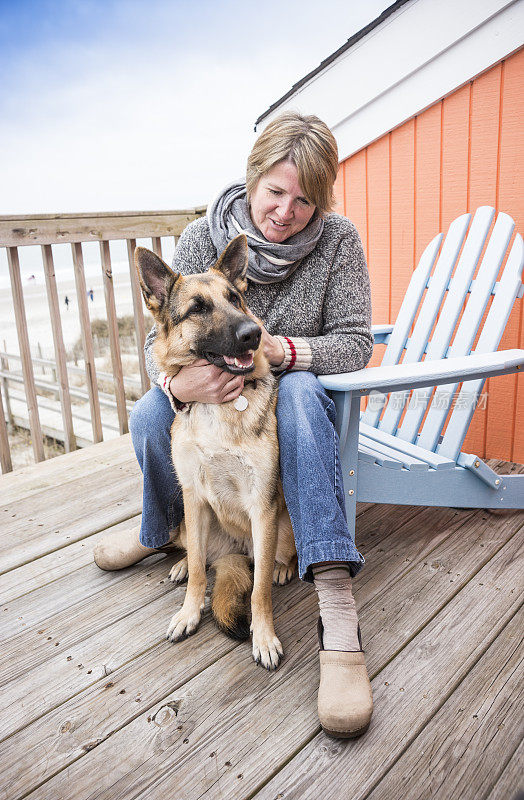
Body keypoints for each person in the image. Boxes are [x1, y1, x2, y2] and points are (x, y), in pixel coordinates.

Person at [94, 112, 374, 738]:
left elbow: (356, 343)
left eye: (305, 199)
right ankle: (164, 529)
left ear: (322, 200)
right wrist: (178, 383)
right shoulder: (203, 237)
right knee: (148, 410)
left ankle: (333, 596)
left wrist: (284, 354)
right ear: (252, 182)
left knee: (299, 395)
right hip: (206, 391)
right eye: (276, 191)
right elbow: (156, 341)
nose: (285, 210)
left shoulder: (338, 242)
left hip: (294, 395)